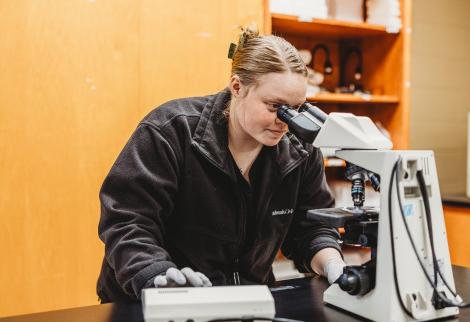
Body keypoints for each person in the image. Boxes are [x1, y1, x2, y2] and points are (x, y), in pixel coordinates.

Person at [96, 26, 346, 303]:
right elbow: (127, 221)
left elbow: (311, 227)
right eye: (275, 107)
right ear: (237, 86)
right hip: (150, 301)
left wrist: (332, 263)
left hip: (247, 303)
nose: (286, 122)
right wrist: (158, 277)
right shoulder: (170, 130)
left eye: (296, 109)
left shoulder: (300, 150)